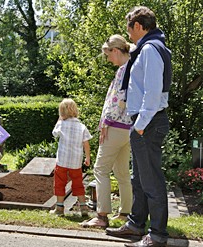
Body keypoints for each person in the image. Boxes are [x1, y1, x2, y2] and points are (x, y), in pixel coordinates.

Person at [105, 6, 171, 247]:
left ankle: (157, 235)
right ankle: (135, 224)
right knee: (139, 179)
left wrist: (140, 125)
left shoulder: (151, 50)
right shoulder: (146, 48)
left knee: (151, 180)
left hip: (148, 123)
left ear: (139, 26)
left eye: (129, 28)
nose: (128, 33)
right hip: (145, 122)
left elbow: (153, 94)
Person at [81, 35, 133, 228]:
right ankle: (126, 213)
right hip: (128, 129)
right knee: (122, 172)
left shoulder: (122, 71)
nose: (108, 59)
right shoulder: (133, 67)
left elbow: (118, 100)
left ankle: (101, 216)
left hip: (116, 127)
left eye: (108, 54)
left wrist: (106, 123)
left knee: (100, 169)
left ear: (116, 51)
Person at [50, 98, 92, 216]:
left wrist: (59, 120)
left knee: (60, 183)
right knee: (78, 182)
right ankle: (83, 207)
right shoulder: (81, 126)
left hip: (62, 161)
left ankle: (59, 208)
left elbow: (54, 134)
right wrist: (87, 157)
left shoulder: (61, 124)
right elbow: (86, 143)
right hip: (76, 162)